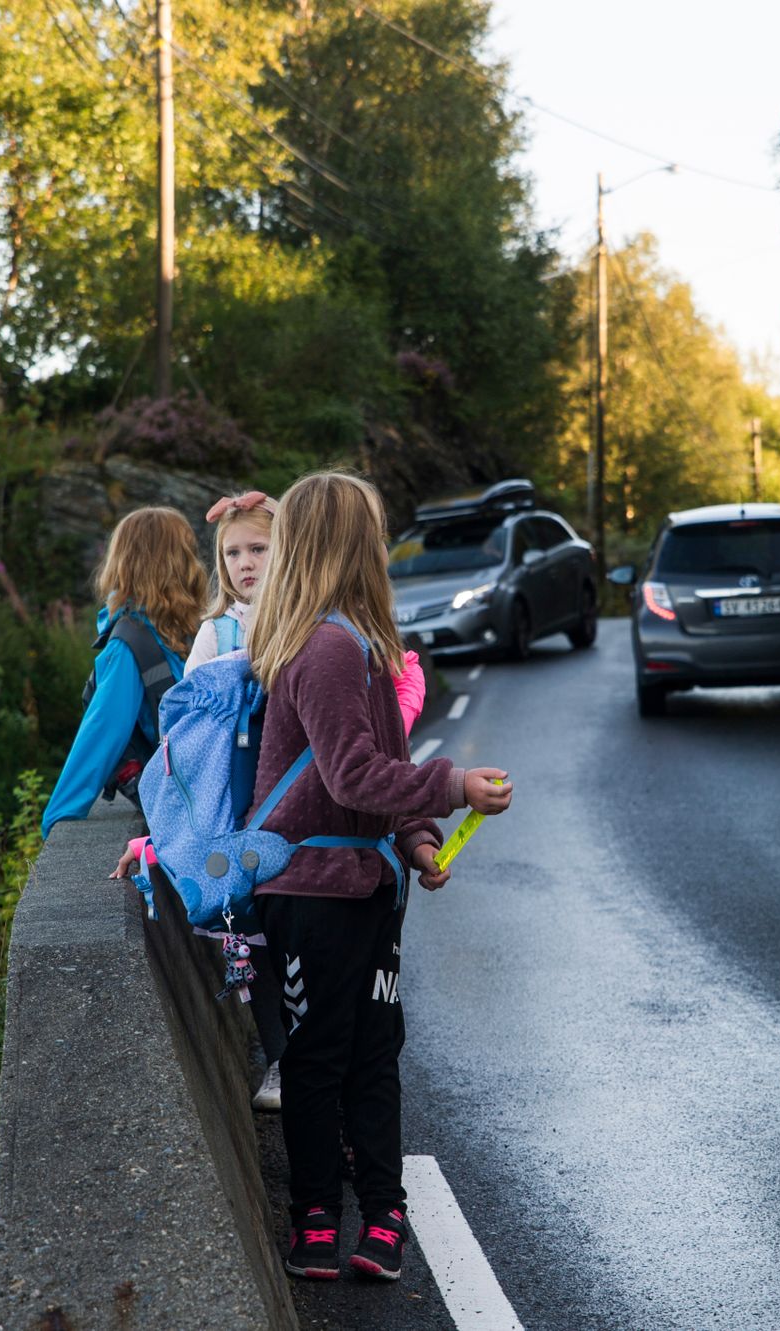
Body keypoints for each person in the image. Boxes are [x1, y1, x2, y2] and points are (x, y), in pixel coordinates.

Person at [244, 471, 512, 1282]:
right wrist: (454, 785)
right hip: (309, 892)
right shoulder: (324, 650)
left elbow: (386, 768)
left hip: (363, 888)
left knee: (373, 1053)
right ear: (356, 546)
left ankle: (383, 1211)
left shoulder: (358, 645)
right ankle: (317, 1215)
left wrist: (422, 836)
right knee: (322, 1058)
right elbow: (354, 775)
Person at [110, 488, 434, 1115]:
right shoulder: (217, 632)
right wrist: (163, 842)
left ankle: (335, 1098)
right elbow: (192, 748)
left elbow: (386, 715)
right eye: (232, 553)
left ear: (289, 549)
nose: (245, 563)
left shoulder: (318, 626)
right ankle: (290, 1059)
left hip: (320, 818)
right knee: (258, 945)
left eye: (260, 547)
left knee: (337, 977)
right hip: (248, 815)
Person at [41, 506, 206, 840]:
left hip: (193, 800)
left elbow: (103, 731)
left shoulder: (153, 636)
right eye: (189, 550)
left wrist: (56, 819)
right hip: (199, 797)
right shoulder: (159, 637)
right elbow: (103, 731)